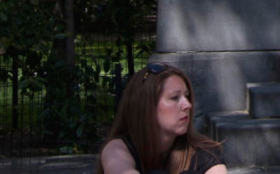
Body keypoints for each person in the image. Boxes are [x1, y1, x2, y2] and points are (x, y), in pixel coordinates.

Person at [96, 63, 224, 174]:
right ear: (146, 107)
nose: (187, 105)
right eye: (175, 97)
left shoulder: (203, 152)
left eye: (186, 96)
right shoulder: (117, 150)